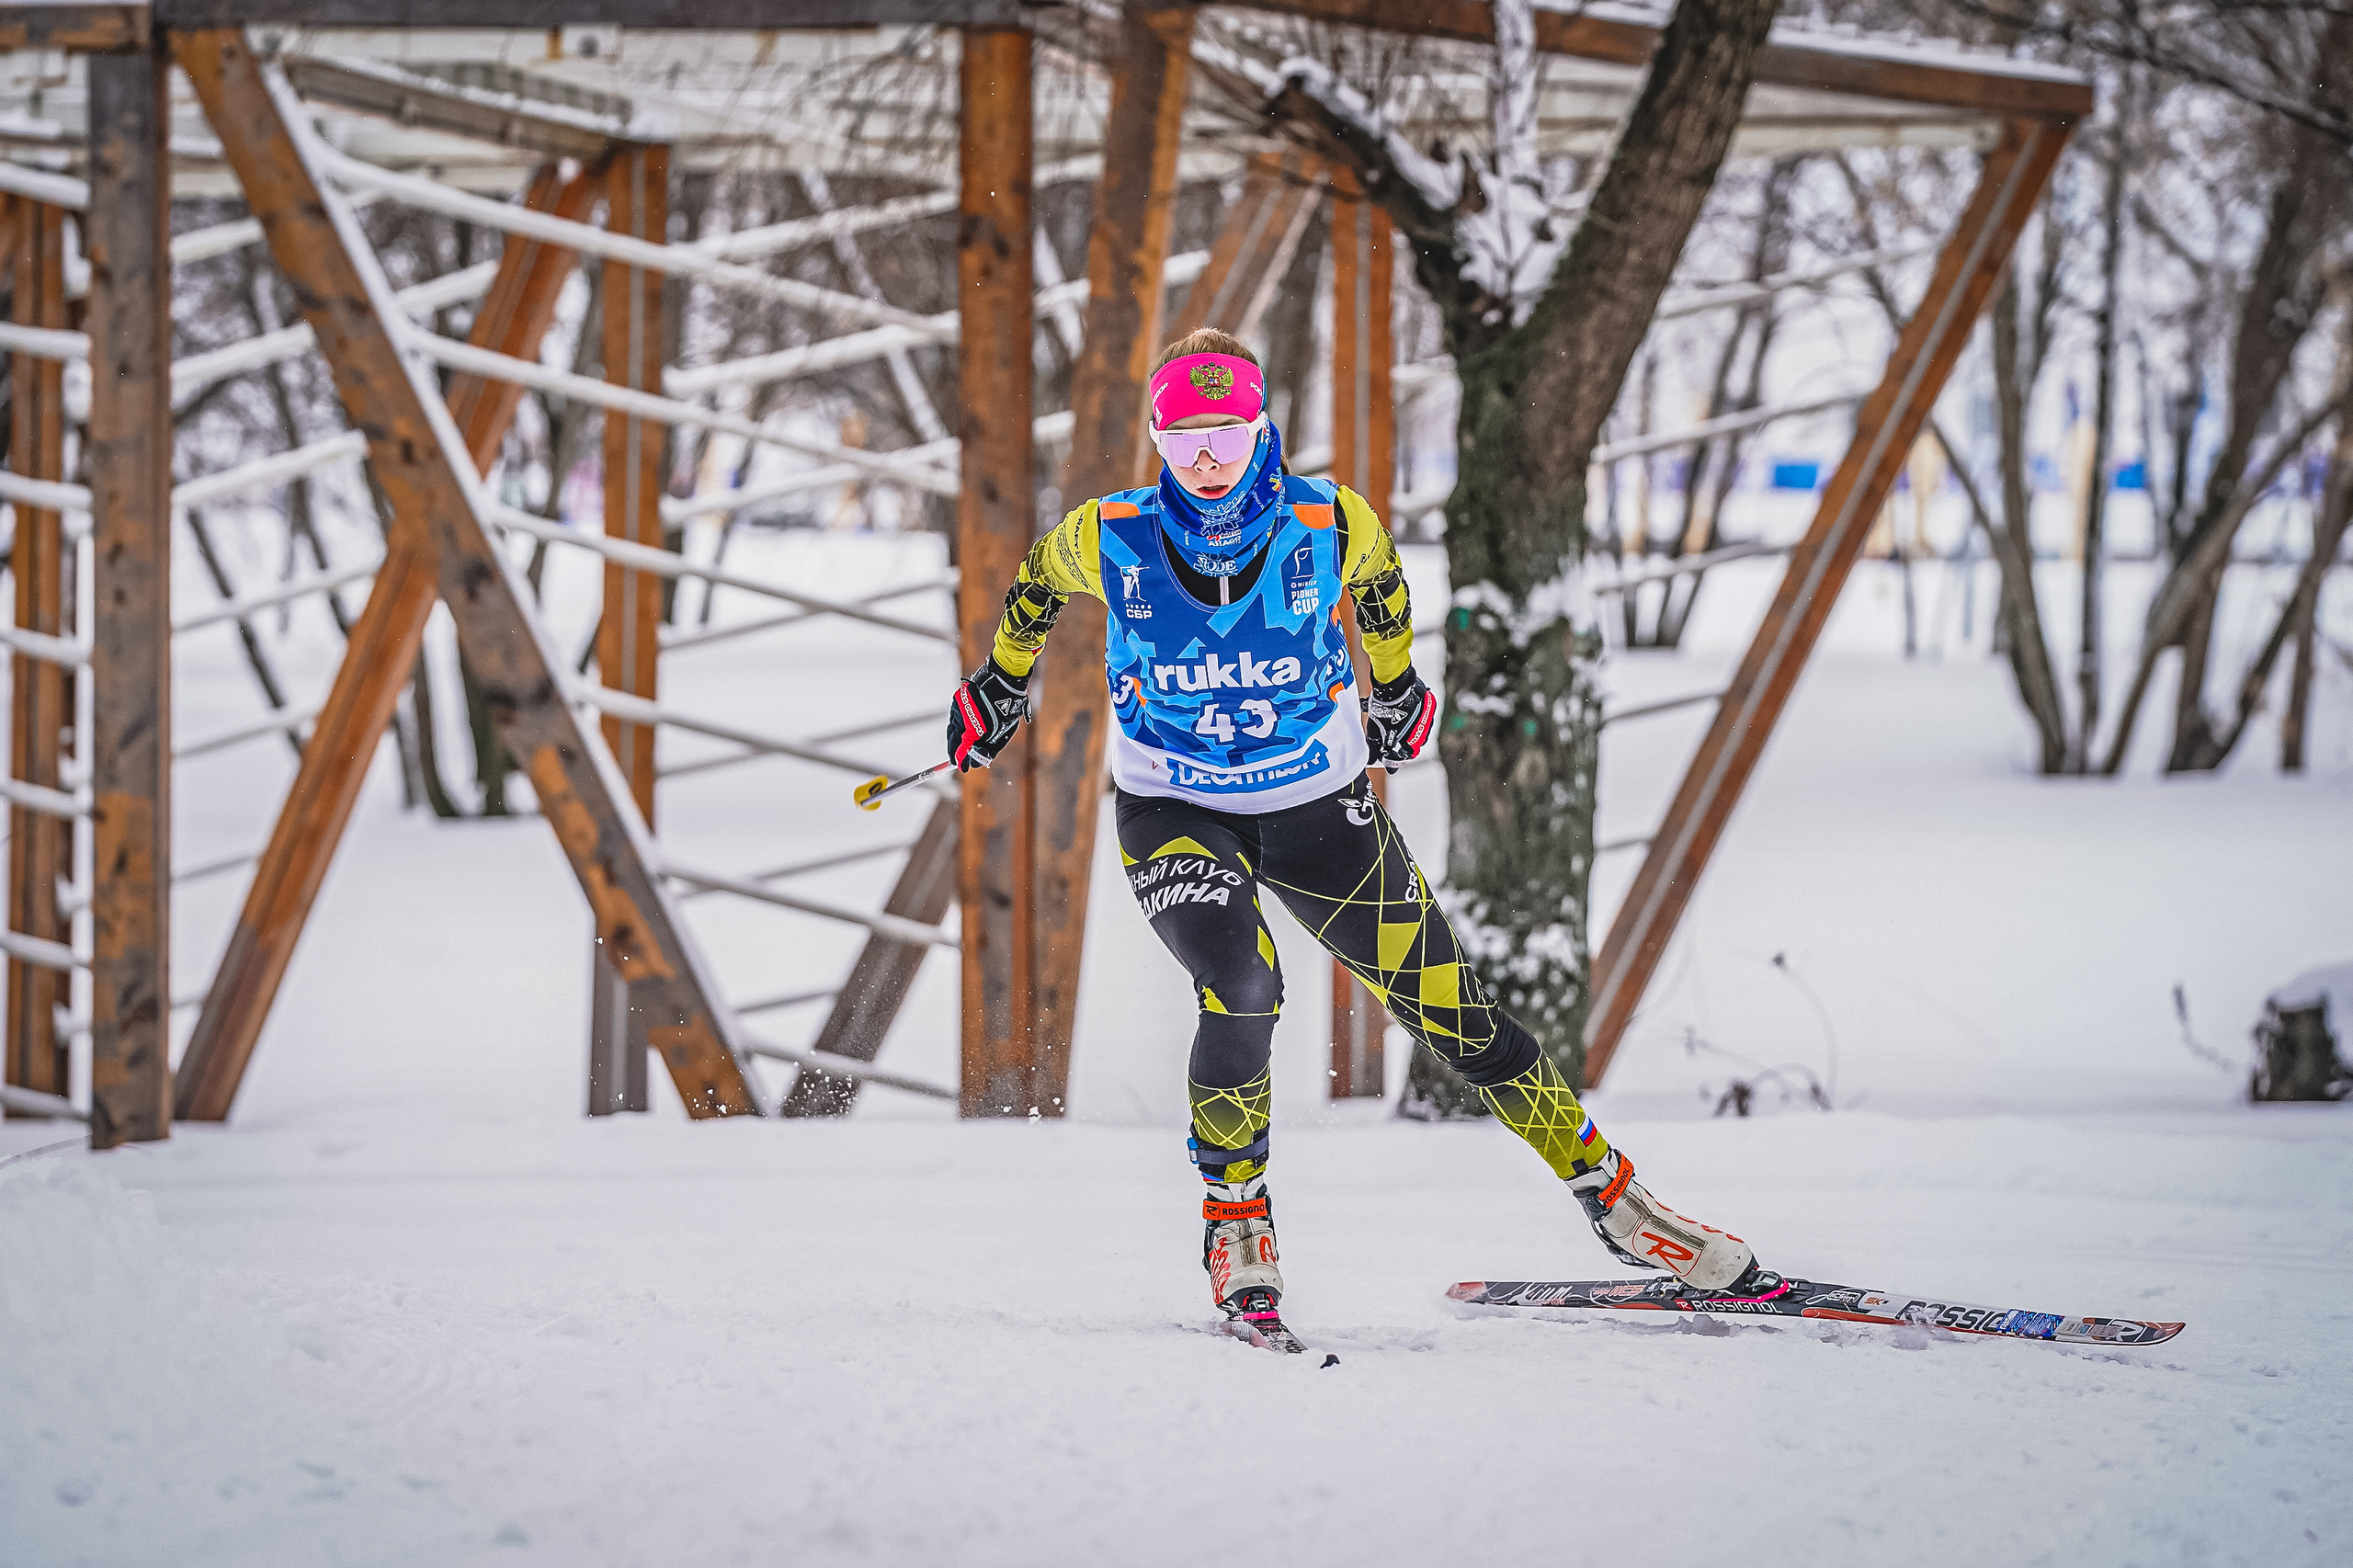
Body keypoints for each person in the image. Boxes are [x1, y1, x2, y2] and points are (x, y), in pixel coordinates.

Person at [945, 329, 1775, 1346]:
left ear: (1261, 430)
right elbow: (1035, 583)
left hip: (1315, 806)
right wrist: (1000, 685)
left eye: (1225, 434)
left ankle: (1621, 1205)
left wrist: (1397, 687)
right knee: (1243, 983)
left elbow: (1381, 591)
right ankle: (1237, 1224)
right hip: (1175, 812)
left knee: (1458, 1016)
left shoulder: (1327, 519)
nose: (1204, 459)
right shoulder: (1108, 534)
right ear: (1157, 439)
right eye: (1182, 438)